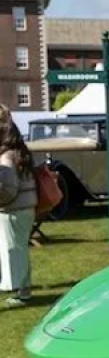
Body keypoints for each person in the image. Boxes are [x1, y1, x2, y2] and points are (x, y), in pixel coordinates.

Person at [0, 104, 36, 306]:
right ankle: (24, 290)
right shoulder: (22, 151)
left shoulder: (6, 156)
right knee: (20, 249)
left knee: (15, 250)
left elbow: (7, 189)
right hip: (26, 207)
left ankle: (20, 293)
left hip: (13, 208)